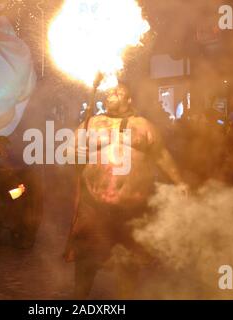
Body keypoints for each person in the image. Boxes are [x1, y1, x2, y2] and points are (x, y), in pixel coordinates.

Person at [65, 82, 186, 299]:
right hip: (94, 205)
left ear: (129, 99)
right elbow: (68, 152)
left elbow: (161, 155)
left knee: (128, 261)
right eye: (110, 91)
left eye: (117, 92)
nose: (111, 94)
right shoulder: (91, 123)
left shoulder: (144, 125)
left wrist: (180, 182)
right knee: (87, 257)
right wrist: (75, 151)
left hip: (132, 207)